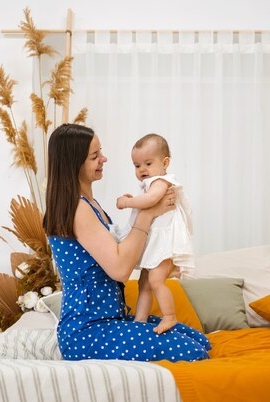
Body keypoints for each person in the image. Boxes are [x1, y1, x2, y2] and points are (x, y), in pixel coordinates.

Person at [43, 124, 210, 362]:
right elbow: (121, 270)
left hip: (111, 320)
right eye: (94, 156)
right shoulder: (78, 209)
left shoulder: (90, 205)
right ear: (74, 164)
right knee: (191, 351)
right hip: (88, 331)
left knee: (198, 340)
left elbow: (124, 254)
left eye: (100, 151)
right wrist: (148, 213)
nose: (104, 158)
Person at [113, 133, 194, 334]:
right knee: (144, 283)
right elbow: (147, 203)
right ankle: (139, 321)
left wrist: (126, 202)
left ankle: (169, 317)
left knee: (156, 280)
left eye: (148, 163)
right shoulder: (151, 184)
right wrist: (136, 199)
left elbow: (150, 201)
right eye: (136, 165)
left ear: (165, 162)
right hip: (156, 243)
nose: (142, 170)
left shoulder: (162, 181)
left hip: (166, 243)